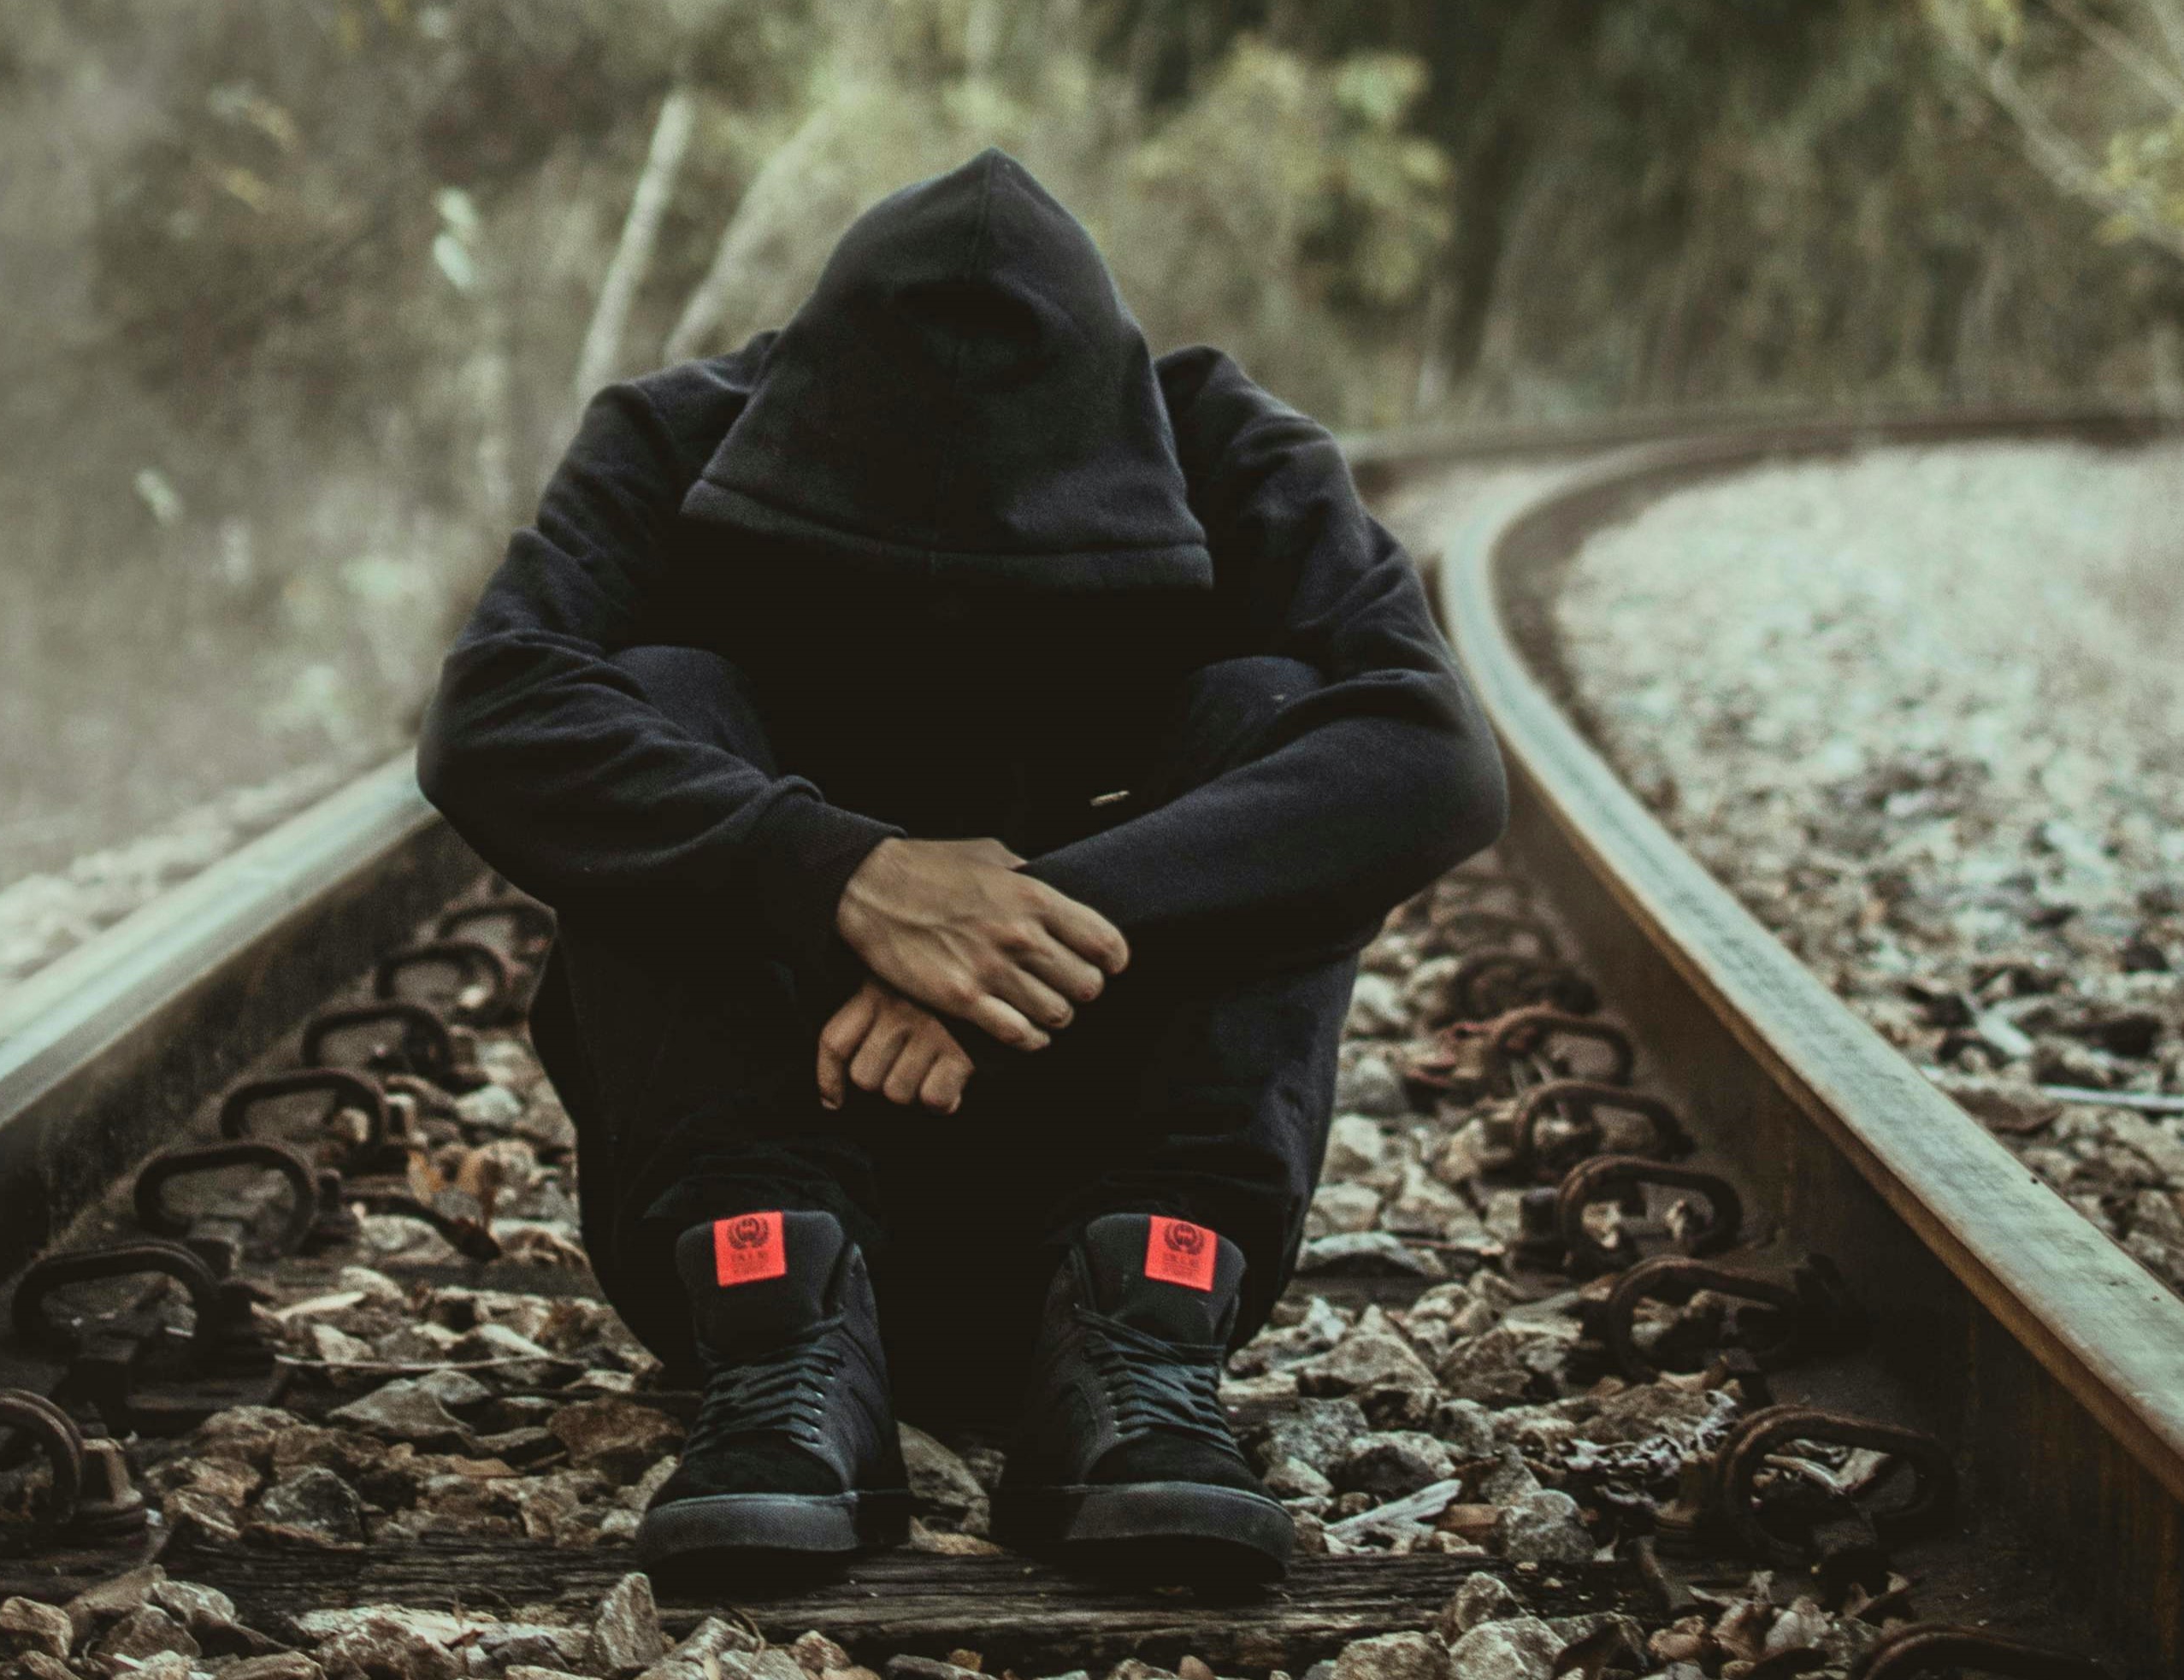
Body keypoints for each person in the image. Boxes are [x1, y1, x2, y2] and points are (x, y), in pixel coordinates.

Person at [416, 149, 1506, 1583]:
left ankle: (1132, 1344)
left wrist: (1021, 930)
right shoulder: (673, 440)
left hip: (1123, 1248)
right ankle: (789, 1340)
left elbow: (1437, 752)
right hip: (744, 1248)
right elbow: (488, 713)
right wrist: (843, 875)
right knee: (653, 689)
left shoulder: (1228, 449)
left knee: (1270, 707)